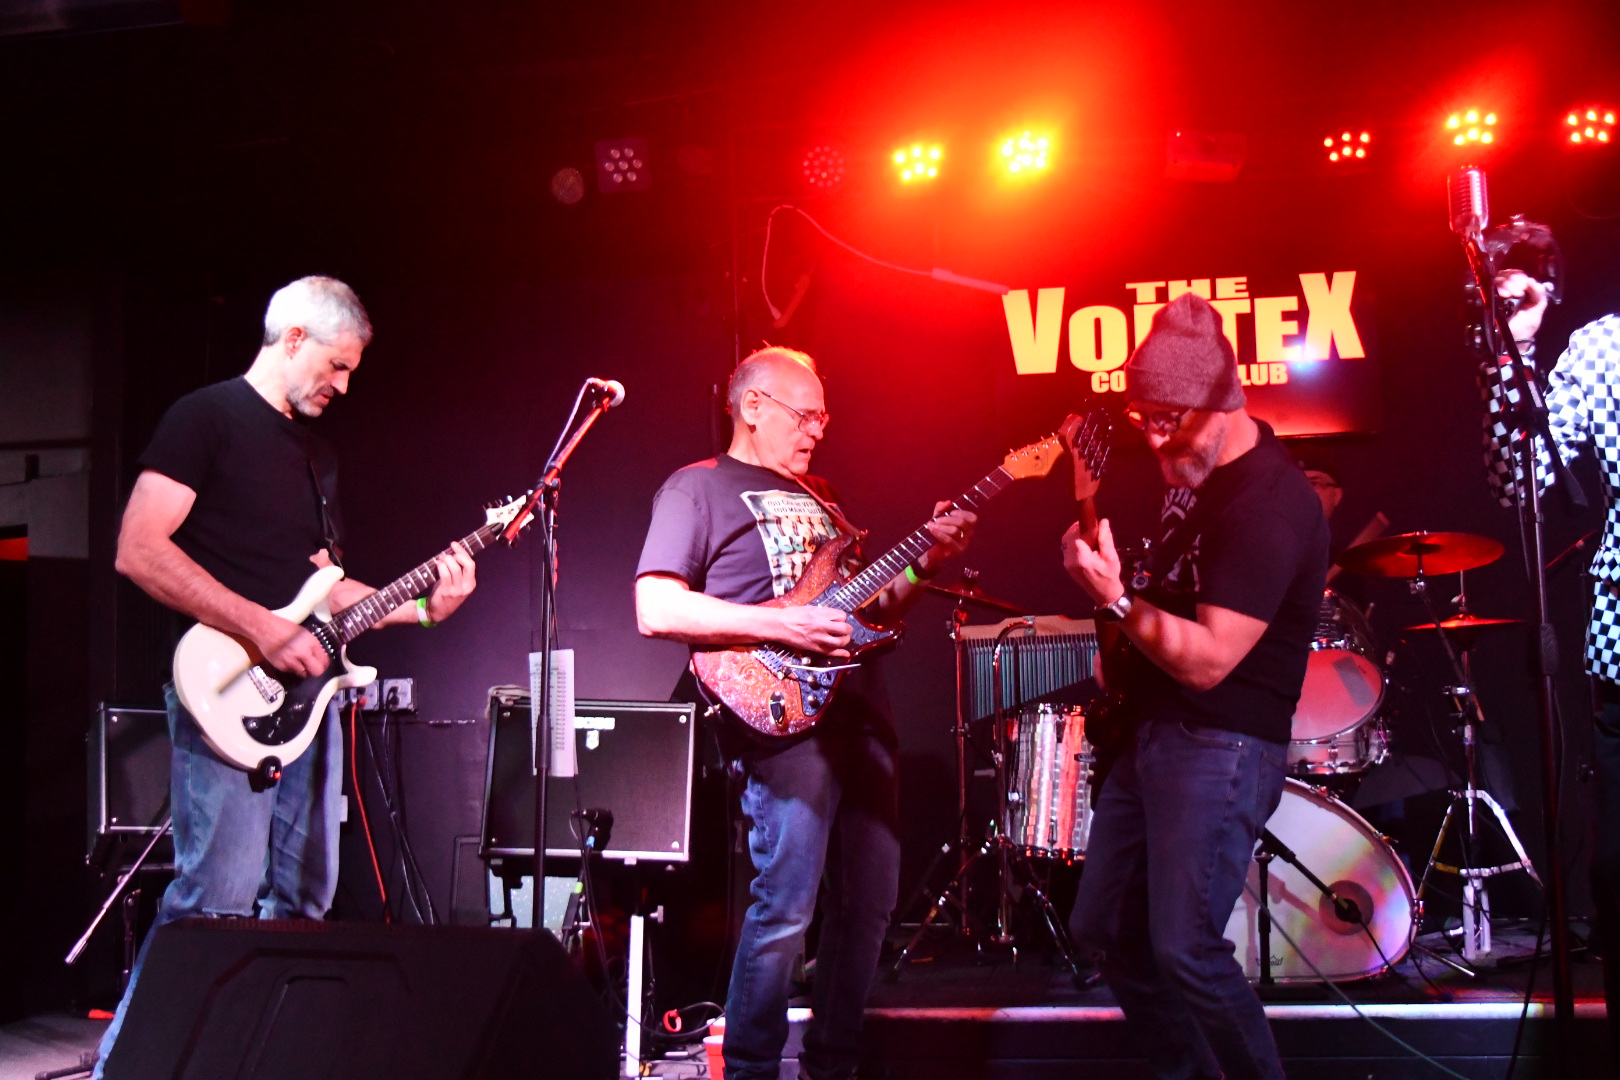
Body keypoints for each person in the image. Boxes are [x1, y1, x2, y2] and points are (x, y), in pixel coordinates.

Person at [93, 277, 478, 1076]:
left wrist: (425, 609)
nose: (343, 386)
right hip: (224, 688)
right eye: (338, 366)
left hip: (305, 704)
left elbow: (324, 589)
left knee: (305, 900)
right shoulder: (204, 418)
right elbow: (139, 548)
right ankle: (126, 1067)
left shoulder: (316, 455)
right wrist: (262, 628)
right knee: (214, 900)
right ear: (294, 337)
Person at [634, 346, 976, 1080]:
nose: (818, 430)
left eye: (825, 417)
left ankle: (834, 1065)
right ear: (753, 407)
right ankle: (751, 1069)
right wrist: (781, 625)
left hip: (861, 714)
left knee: (870, 905)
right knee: (786, 906)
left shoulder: (824, 497)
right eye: (806, 414)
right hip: (779, 714)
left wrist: (925, 564)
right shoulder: (697, 488)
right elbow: (655, 607)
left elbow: (870, 611)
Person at [1062, 294, 1328, 1080]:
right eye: (1142, 418)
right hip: (1153, 732)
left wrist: (1114, 598)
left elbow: (1210, 659)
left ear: (1222, 402)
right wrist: (1110, 596)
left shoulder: (1270, 504)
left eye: (1167, 420)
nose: (1152, 437)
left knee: (1185, 947)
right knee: (1104, 927)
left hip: (1221, 743)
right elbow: (1157, 607)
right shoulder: (1196, 474)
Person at [1483, 268, 1620, 1058]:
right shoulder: (1600, 348)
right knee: (1619, 867)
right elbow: (1521, 481)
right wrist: (1519, 352)